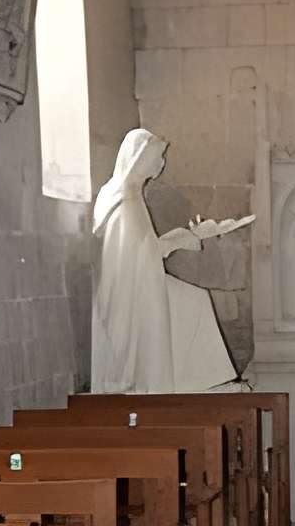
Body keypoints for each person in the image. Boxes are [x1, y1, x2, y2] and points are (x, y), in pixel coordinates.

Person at [91, 129, 253, 391]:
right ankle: (180, 382)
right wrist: (178, 240)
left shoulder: (129, 195)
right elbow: (136, 256)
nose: (161, 163)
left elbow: (141, 250)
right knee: (190, 301)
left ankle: (197, 381)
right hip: (131, 295)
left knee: (194, 299)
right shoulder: (124, 201)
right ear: (140, 159)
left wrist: (183, 237)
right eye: (158, 157)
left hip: (142, 282)